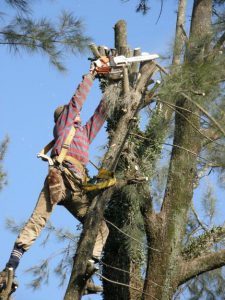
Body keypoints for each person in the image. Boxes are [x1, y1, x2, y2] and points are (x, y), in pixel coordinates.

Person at [0, 60, 111, 295]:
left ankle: (89, 267)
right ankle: (10, 267)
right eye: (75, 114)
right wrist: (91, 74)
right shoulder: (64, 126)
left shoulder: (83, 134)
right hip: (59, 179)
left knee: (100, 226)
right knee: (37, 221)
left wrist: (112, 89)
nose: (79, 115)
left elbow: (99, 117)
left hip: (77, 187)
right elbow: (77, 100)